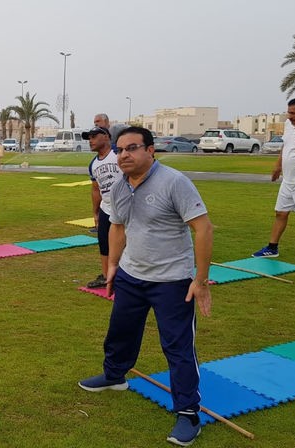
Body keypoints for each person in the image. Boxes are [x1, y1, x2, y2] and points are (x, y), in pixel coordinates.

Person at [78, 127, 213, 447]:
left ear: (150, 151)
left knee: (178, 347)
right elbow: (117, 227)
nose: (124, 154)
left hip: (172, 281)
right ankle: (114, 376)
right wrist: (113, 266)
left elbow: (203, 229)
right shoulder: (119, 186)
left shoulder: (174, 182)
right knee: (120, 331)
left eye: (132, 148)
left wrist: (200, 280)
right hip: (131, 276)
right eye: (120, 149)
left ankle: (189, 413)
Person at [252, 98, 295, 258]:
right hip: (288, 180)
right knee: (281, 213)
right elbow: (286, 145)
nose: (289, 117)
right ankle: (272, 248)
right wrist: (278, 166)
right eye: (289, 113)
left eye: (293, 113)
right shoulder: (288, 125)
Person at [82, 126, 122, 288]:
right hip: (106, 208)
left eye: (94, 137)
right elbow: (95, 189)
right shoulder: (93, 164)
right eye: (89, 138)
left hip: (125, 207)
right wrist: (96, 212)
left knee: (126, 244)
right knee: (104, 243)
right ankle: (106, 277)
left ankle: (127, 277)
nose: (90, 141)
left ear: (106, 136)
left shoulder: (119, 153)